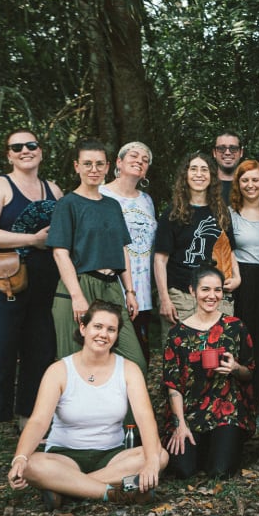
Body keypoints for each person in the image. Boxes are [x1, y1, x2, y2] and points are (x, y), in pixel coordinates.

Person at [7, 300, 169, 510]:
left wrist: (151, 462)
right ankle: (113, 492)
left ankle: (67, 488)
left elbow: (144, 417)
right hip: (64, 456)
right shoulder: (59, 371)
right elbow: (38, 421)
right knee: (31, 465)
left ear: (117, 335)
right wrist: (19, 458)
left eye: (111, 329)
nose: (103, 334)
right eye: (97, 326)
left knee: (160, 455)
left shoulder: (129, 369)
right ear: (83, 328)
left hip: (111, 456)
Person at [0, 128, 63, 457]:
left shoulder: (53, 189)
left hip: (46, 283)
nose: (26, 150)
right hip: (6, 281)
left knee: (40, 351)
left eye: (31, 145)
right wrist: (31, 240)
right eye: (17, 147)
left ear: (41, 150)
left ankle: (28, 419)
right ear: (9, 155)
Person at [47, 139, 146, 373]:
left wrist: (129, 291)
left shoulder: (112, 205)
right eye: (87, 164)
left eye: (99, 164)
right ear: (77, 166)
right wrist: (77, 296)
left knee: (135, 362)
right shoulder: (67, 204)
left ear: (107, 166)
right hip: (78, 286)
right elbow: (60, 253)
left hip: (111, 288)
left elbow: (122, 249)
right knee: (74, 367)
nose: (94, 169)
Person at [162, 266, 256, 479]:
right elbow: (172, 384)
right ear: (192, 291)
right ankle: (204, 445)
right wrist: (180, 424)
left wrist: (235, 368)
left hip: (225, 410)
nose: (212, 296)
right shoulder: (177, 334)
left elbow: (249, 373)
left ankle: (220, 444)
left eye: (217, 290)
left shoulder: (235, 327)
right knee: (183, 470)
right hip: (189, 411)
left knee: (220, 471)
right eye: (205, 289)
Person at [154, 152, 241, 340]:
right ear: (185, 175)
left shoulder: (221, 212)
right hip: (182, 297)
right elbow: (160, 260)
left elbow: (229, 250)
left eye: (204, 170)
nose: (199, 174)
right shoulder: (172, 213)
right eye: (193, 169)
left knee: (219, 352)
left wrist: (237, 277)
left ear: (211, 176)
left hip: (216, 297)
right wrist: (164, 299)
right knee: (180, 352)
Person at [101, 141, 157, 364]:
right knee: (109, 353)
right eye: (134, 156)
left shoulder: (147, 200)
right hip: (111, 287)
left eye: (145, 160)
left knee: (140, 355)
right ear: (119, 162)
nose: (139, 161)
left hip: (142, 292)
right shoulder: (101, 194)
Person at [229, 159, 259, 406]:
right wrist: (236, 276)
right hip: (241, 282)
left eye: (255, 179)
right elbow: (225, 249)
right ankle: (240, 400)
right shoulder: (230, 215)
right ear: (238, 184)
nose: (250, 185)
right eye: (245, 180)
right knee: (242, 339)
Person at [213, 130, 245, 207]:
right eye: (221, 148)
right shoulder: (205, 185)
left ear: (241, 152)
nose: (227, 152)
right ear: (214, 153)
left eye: (233, 148)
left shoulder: (250, 186)